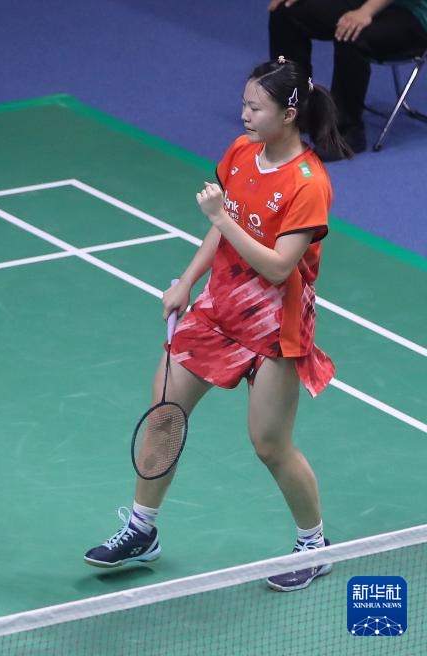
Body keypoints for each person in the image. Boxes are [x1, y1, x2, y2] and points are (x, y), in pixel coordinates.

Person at [83, 57, 351, 592]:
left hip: (276, 325)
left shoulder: (308, 184)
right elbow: (222, 233)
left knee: (269, 444)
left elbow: (279, 266)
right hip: (217, 309)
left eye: (256, 107)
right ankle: (142, 529)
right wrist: (187, 280)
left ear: (289, 114)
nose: (244, 114)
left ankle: (315, 545)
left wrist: (221, 218)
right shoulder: (242, 153)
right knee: (164, 414)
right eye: (244, 103)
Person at [268, 0, 427, 159]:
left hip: (416, 15)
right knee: (286, 12)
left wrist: (366, 11)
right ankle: (296, 109)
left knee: (352, 33)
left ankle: (346, 132)